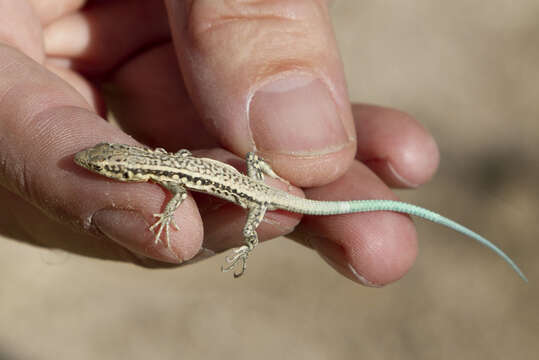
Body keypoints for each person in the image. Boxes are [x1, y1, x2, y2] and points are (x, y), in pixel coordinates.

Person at [0, 0, 439, 286]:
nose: (98, 166)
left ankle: (247, 243)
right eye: (102, 166)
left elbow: (174, 198)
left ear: (127, 170)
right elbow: (178, 171)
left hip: (253, 195)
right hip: (249, 183)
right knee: (253, 170)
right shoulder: (160, 166)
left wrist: (241, 235)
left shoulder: (165, 179)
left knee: (252, 220)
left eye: (105, 167)